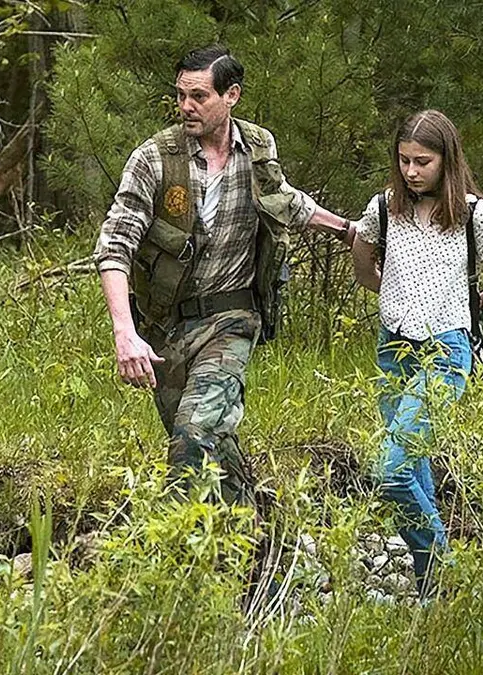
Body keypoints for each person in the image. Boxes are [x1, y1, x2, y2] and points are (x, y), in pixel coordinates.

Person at [93, 45, 351, 507]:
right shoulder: (155, 159)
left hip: (234, 315)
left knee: (194, 431)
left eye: (198, 96)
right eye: (180, 95)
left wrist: (348, 231)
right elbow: (115, 243)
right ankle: (257, 534)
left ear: (231, 95)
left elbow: (286, 201)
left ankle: (172, 547)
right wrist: (125, 333)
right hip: (165, 327)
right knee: (203, 443)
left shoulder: (258, 147)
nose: (186, 106)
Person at [348, 109, 483, 598]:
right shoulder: (384, 209)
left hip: (445, 349)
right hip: (393, 348)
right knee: (412, 466)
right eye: (403, 160)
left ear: (446, 160)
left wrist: (461, 311)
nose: (411, 171)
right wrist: (392, 293)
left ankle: (439, 566)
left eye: (423, 161)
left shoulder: (472, 214)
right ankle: (431, 589)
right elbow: (363, 267)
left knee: (392, 469)